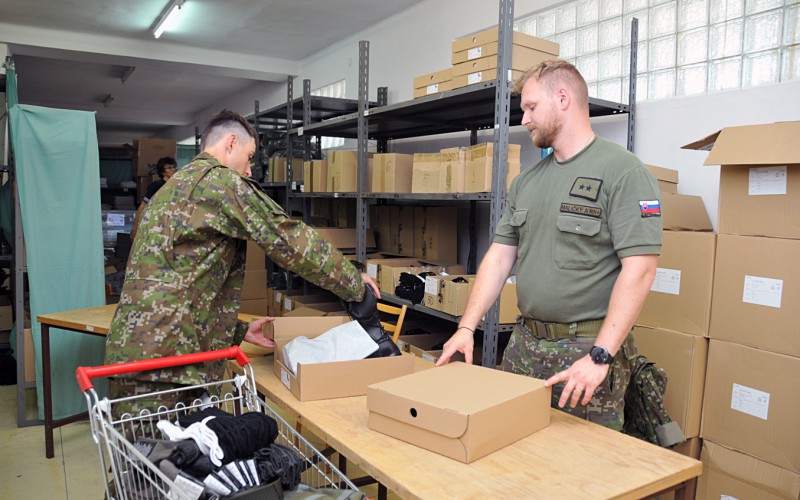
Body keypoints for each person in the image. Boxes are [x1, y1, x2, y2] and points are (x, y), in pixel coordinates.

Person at [105, 109, 391, 413]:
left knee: (144, 456)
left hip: (137, 350)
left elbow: (174, 282)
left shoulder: (172, 189)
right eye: (250, 155)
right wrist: (352, 283)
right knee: (161, 456)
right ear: (231, 143)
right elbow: (288, 240)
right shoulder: (220, 183)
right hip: (170, 363)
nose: (250, 169)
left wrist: (237, 331)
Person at [435, 60, 663, 431]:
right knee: (512, 449)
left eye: (530, 107)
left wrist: (600, 357)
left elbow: (640, 270)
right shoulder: (527, 182)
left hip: (584, 355)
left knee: (581, 472)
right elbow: (499, 257)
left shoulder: (624, 173)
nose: (523, 119)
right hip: (524, 347)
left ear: (562, 98)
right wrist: (466, 327)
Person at [130, 156, 177, 238]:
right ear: (163, 172)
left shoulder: (175, 186)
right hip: (156, 224)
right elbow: (143, 206)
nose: (173, 169)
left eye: (174, 167)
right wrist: (134, 228)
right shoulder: (157, 186)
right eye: (169, 167)